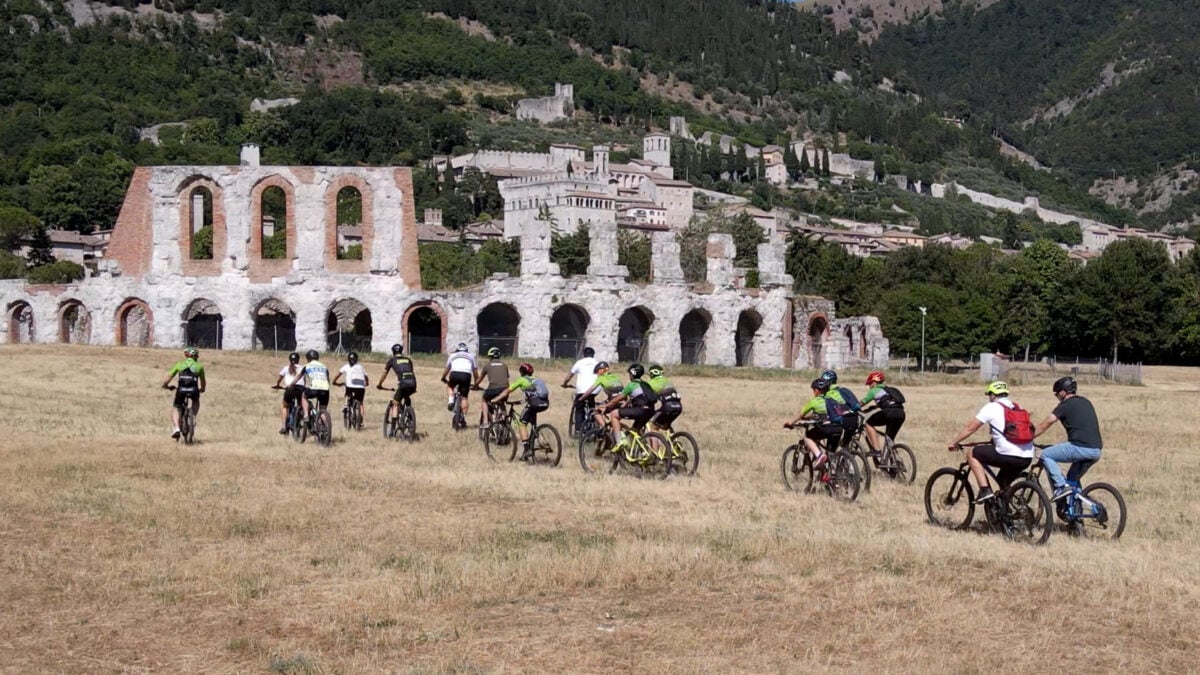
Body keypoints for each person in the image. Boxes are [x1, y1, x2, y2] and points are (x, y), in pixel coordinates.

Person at [946, 381, 1034, 503]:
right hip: (1027, 456)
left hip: (1007, 454)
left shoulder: (991, 407)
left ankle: (984, 490)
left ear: (993, 395)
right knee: (1002, 482)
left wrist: (954, 442)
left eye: (989, 395)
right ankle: (1006, 515)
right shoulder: (1018, 407)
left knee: (972, 453)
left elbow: (971, 427)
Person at [1032, 376, 1103, 500]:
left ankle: (1060, 487)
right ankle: (1075, 512)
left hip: (1079, 447)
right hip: (1096, 450)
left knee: (1045, 455)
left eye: (1057, 394)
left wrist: (1029, 436)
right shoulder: (1086, 401)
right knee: (1072, 478)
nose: (1057, 397)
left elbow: (1048, 422)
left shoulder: (1065, 405)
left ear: (1062, 392)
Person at [490, 363, 550, 460]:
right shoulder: (536, 379)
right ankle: (539, 441)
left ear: (521, 372)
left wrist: (496, 399)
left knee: (522, 423)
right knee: (532, 424)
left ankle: (527, 449)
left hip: (534, 404)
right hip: (545, 403)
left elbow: (507, 391)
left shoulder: (521, 380)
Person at [782, 378, 842, 470]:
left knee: (807, 436)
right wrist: (808, 418)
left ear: (817, 391)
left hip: (826, 428)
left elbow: (800, 414)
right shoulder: (833, 400)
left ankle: (818, 455)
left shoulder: (814, 401)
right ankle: (832, 477)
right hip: (838, 428)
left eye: (813, 390)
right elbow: (822, 414)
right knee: (831, 454)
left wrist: (790, 423)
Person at [599, 363, 656, 447]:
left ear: (632, 374)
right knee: (634, 431)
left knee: (614, 414)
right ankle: (643, 451)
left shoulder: (632, 385)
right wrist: (627, 403)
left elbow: (618, 398)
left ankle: (619, 441)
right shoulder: (646, 384)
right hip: (650, 411)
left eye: (629, 374)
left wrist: (606, 405)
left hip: (640, 410)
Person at [161, 347, 206, 439]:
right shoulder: (199, 366)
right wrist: (202, 389)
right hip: (194, 390)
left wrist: (166, 386)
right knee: (196, 401)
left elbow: (168, 378)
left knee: (176, 407)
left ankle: (177, 428)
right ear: (196, 357)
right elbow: (203, 382)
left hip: (181, 390)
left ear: (186, 355)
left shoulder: (179, 365)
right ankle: (192, 417)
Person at [860, 370, 905, 454]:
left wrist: (851, 408)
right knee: (889, 439)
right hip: (901, 413)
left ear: (874, 382)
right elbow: (886, 403)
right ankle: (894, 461)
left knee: (868, 423)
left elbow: (860, 404)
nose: (869, 386)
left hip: (889, 413)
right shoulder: (889, 390)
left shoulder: (874, 390)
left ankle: (876, 450)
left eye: (870, 384)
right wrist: (870, 409)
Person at [562, 346, 598, 436]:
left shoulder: (579, 362)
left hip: (582, 390)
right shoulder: (597, 363)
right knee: (592, 406)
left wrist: (565, 384)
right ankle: (593, 425)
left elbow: (569, 375)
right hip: (594, 389)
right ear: (593, 355)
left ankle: (578, 430)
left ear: (584, 354)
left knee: (579, 408)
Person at [821, 369, 862, 448]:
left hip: (839, 420)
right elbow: (856, 405)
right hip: (853, 418)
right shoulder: (844, 390)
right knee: (845, 443)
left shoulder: (826, 394)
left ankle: (834, 455)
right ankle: (845, 456)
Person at [377, 343, 417, 420]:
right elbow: (410, 372)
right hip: (413, 383)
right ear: (401, 351)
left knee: (395, 403)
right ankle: (409, 417)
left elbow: (384, 374)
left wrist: (379, 384)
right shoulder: (408, 360)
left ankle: (393, 428)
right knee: (406, 395)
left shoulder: (392, 360)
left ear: (393, 352)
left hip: (403, 384)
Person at [580, 361, 624, 431]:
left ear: (601, 370)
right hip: (622, 402)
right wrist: (607, 400)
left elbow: (590, 391)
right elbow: (616, 392)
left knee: (595, 412)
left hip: (614, 402)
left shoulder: (601, 378)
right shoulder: (615, 377)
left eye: (597, 372)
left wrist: (581, 399)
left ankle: (605, 429)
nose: (597, 374)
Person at [474, 346, 510, 426]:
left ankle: (486, 421)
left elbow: (479, 379)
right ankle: (505, 421)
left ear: (489, 356)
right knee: (501, 401)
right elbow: (506, 378)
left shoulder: (487, 365)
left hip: (493, 389)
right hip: (505, 389)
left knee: (484, 400)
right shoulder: (504, 365)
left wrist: (475, 386)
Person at [441, 342, 478, 419]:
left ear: (457, 349)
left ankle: (451, 400)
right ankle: (463, 417)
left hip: (455, 374)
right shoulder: (471, 356)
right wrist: (476, 384)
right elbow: (475, 372)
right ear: (466, 350)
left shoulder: (453, 355)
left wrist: (443, 378)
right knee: (464, 397)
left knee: (450, 386)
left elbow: (447, 369)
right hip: (466, 375)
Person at [273, 351, 305, 434]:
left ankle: (284, 426)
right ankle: (300, 418)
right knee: (301, 405)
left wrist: (277, 385)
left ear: (289, 360)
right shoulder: (302, 367)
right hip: (300, 389)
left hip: (290, 389)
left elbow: (280, 378)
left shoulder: (286, 368)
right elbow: (304, 380)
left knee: (284, 406)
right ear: (298, 359)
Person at [645, 364, 683, 432]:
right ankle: (673, 440)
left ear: (652, 374)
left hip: (667, 407)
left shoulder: (651, 383)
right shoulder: (667, 381)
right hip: (678, 406)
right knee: (666, 425)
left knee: (653, 427)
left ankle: (656, 442)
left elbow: (646, 396)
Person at [332, 351, 369, 416]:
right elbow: (366, 376)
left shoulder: (346, 366)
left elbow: (338, 375)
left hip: (350, 386)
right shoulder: (360, 367)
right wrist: (367, 383)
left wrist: (334, 382)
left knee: (347, 395)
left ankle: (346, 405)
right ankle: (361, 420)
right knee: (360, 403)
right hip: (361, 387)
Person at [301, 349, 331, 426]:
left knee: (304, 396)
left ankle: (306, 415)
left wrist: (291, 384)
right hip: (325, 390)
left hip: (314, 389)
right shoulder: (324, 366)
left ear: (308, 358)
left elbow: (299, 377)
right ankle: (326, 427)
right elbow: (328, 380)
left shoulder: (307, 366)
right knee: (322, 410)